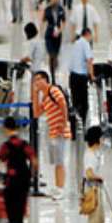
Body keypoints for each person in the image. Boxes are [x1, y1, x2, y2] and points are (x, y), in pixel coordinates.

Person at [0, 118, 36, 223]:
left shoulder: (6, 146)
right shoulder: (24, 144)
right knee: (19, 210)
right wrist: (30, 175)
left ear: (6, 129)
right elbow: (34, 160)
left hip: (11, 182)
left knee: (11, 212)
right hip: (23, 181)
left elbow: (0, 159)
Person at [32, 70, 71, 199]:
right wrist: (35, 94)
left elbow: (63, 104)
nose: (37, 82)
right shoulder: (44, 97)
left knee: (60, 161)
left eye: (39, 79)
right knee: (56, 161)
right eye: (35, 80)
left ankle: (61, 189)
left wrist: (63, 123)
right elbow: (36, 114)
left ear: (45, 79)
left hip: (60, 131)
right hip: (53, 132)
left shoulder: (53, 90)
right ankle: (57, 186)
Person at [81, 125, 110, 223]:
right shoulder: (89, 155)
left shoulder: (96, 153)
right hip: (92, 190)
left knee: (101, 219)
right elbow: (89, 173)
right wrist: (98, 177)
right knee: (94, 220)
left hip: (97, 189)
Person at [65, 26, 95, 128]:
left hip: (72, 76)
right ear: (88, 34)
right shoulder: (85, 43)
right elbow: (89, 60)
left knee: (75, 102)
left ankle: (74, 126)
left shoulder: (75, 44)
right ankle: (83, 124)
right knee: (84, 103)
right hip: (81, 77)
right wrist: (92, 76)